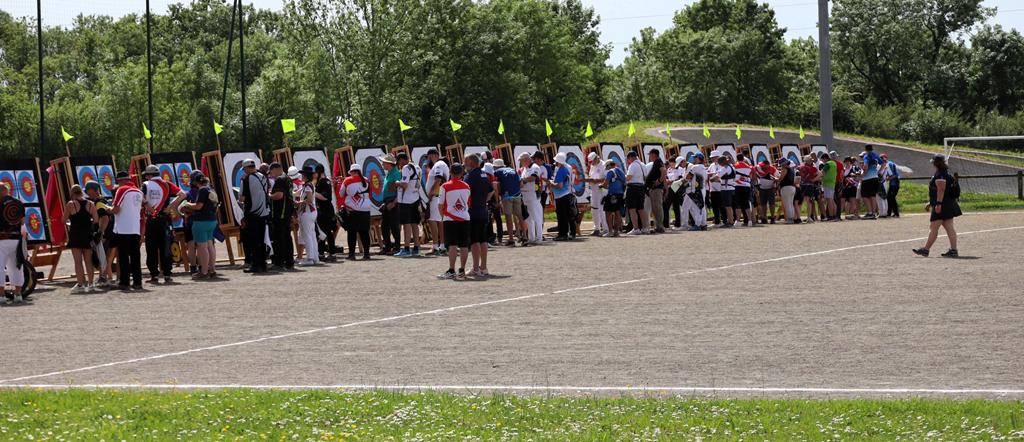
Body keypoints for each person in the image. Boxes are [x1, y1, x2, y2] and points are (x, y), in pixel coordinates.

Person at [141, 165, 186, 283]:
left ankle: (154, 275)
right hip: (165, 219)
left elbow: (141, 198)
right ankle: (167, 274)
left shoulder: (146, 184)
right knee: (165, 246)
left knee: (151, 247)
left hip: (151, 219)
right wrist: (170, 207)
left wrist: (149, 207)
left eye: (146, 175)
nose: (146, 177)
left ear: (149, 175)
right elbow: (183, 195)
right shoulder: (168, 184)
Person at [914, 155, 962, 257]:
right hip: (948, 204)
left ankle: (926, 249)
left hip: (942, 205)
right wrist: (931, 202)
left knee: (934, 227)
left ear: (936, 163)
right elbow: (939, 191)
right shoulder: (944, 174)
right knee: (949, 227)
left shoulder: (940, 175)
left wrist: (938, 203)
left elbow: (941, 190)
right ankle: (953, 250)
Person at [181, 172, 219, 278]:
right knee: (210, 246)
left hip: (201, 222)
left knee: (202, 247)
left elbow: (198, 206)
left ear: (195, 182)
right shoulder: (211, 189)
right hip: (212, 220)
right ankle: (212, 269)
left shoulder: (202, 190)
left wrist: (187, 204)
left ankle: (204, 271)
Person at [438, 163, 471, 280]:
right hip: (465, 218)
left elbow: (440, 205)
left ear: (450, 173)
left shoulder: (445, 186)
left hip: (450, 218)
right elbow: (468, 203)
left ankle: (451, 270)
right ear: (461, 173)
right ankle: (462, 270)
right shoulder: (467, 186)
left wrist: (443, 216)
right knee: (464, 245)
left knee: (452, 245)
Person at [111, 171, 144, 290]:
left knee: (123, 257)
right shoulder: (139, 191)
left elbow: (116, 209)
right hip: (135, 228)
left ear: (120, 180)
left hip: (123, 228)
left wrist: (107, 209)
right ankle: (137, 282)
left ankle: (124, 282)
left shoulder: (122, 190)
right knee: (135, 257)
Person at [63, 184, 98, 293]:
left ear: (72, 193)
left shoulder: (71, 204)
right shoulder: (91, 204)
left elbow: (63, 220)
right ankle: (91, 283)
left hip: (75, 235)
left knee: (78, 262)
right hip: (87, 234)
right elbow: (96, 220)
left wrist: (71, 222)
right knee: (88, 261)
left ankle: (80, 284)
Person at [238, 158, 270, 274]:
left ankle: (256, 265)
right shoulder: (263, 177)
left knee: (253, 240)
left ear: (247, 168)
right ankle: (263, 264)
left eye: (244, 169)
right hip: (264, 213)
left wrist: (240, 199)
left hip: (252, 213)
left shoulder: (246, 179)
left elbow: (242, 198)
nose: (244, 171)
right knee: (261, 239)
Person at [464, 154, 493, 276]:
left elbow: (464, 192)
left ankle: (475, 268)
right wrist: (484, 200)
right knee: (483, 239)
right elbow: (491, 190)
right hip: (483, 210)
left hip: (473, 211)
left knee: (474, 240)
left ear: (471, 163)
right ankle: (483, 267)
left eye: (465, 162)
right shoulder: (484, 175)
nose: (464, 165)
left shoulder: (469, 176)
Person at [339, 163, 373, 260]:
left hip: (352, 210)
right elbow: (370, 194)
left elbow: (341, 194)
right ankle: (367, 254)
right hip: (365, 209)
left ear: (352, 172)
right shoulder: (367, 180)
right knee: (364, 232)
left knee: (352, 233)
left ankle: (351, 254)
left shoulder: (347, 180)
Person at [84, 181, 114, 287]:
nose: (87, 193)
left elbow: (105, 218)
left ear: (93, 190)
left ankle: (103, 278)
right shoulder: (103, 200)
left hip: (105, 234)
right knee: (104, 256)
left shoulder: (98, 202)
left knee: (102, 256)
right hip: (109, 232)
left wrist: (100, 233)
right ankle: (104, 277)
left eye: (88, 191)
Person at [394, 153, 423, 257]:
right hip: (415, 198)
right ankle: (416, 248)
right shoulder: (418, 167)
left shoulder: (406, 167)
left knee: (406, 224)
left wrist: (397, 182)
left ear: (402, 160)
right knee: (414, 224)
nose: (399, 165)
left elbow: (405, 185)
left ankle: (406, 248)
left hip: (406, 201)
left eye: (399, 162)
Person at [267, 164, 295, 270]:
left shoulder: (280, 179)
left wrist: (269, 195)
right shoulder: (288, 178)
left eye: (271, 172)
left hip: (280, 214)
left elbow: (279, 195)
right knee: (287, 238)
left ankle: (279, 263)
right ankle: (289, 262)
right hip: (286, 213)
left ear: (275, 169)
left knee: (279, 239)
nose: (271, 175)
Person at [0, 184, 25, 304]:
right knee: (16, 267)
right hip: (16, 239)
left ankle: (1, 296)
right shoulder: (18, 202)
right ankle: (18, 294)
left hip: (2, 239)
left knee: (0, 268)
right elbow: (22, 222)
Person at [493, 159, 525, 246]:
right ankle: (525, 237)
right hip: (517, 195)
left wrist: (498, 200)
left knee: (508, 217)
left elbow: (496, 186)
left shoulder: (497, 172)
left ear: (495, 167)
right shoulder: (512, 170)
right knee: (520, 216)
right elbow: (521, 184)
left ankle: (511, 239)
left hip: (507, 196)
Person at [424, 149, 449, 255]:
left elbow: (438, 179)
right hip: (438, 196)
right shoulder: (440, 164)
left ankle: (435, 246)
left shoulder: (438, 164)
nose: (428, 160)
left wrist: (430, 193)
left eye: (428, 157)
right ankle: (442, 246)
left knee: (432, 220)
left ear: (433, 155)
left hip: (435, 197)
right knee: (439, 222)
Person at [313, 164, 340, 260]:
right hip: (322, 210)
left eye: (315, 172)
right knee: (323, 232)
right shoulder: (320, 182)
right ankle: (322, 253)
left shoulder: (324, 182)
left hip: (325, 210)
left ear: (318, 172)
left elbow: (325, 197)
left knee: (326, 232)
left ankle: (331, 253)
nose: (314, 175)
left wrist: (313, 193)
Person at [548, 152, 576, 241]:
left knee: (562, 217)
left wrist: (551, 183)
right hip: (565, 195)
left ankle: (563, 234)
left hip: (561, 196)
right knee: (567, 216)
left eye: (556, 161)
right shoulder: (565, 169)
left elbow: (559, 186)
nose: (555, 163)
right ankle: (568, 233)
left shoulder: (561, 170)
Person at [519, 152, 544, 244]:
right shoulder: (524, 169)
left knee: (537, 217)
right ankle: (531, 238)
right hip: (526, 196)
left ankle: (539, 238)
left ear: (526, 159)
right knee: (528, 219)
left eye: (521, 160)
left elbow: (533, 178)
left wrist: (523, 180)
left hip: (533, 196)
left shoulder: (535, 167)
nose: (520, 162)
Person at [379, 154, 401, 255]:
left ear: (389, 164)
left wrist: (394, 202)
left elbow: (399, 190)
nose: (382, 164)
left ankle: (397, 247)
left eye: (384, 163)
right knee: (385, 226)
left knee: (394, 226)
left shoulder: (396, 174)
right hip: (388, 201)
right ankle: (387, 247)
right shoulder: (390, 173)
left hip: (392, 201)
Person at [624, 151, 649, 235]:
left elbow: (628, 177)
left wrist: (623, 176)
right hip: (641, 187)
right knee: (641, 209)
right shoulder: (643, 165)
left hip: (633, 188)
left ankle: (636, 228)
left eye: (628, 159)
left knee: (632, 209)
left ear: (630, 157)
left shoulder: (633, 165)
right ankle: (645, 228)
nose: (628, 161)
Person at [681, 153, 708, 231]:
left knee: (697, 207)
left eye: (695, 158)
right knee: (701, 207)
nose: (694, 159)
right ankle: (703, 224)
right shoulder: (704, 168)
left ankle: (697, 225)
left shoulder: (695, 167)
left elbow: (688, 177)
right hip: (702, 189)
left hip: (695, 190)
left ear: (698, 158)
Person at [584, 153, 608, 236]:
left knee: (602, 209)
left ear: (596, 159)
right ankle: (596, 228)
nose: (591, 163)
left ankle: (605, 228)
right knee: (594, 209)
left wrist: (596, 181)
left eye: (592, 161)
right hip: (593, 190)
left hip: (601, 190)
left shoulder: (604, 165)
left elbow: (606, 178)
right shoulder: (592, 166)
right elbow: (591, 176)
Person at [602, 159, 626, 236]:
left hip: (612, 194)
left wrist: (601, 186)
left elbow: (605, 184)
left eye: (607, 166)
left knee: (608, 212)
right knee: (617, 212)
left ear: (609, 165)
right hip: (620, 194)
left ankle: (610, 231)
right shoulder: (621, 171)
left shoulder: (610, 171)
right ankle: (616, 232)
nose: (606, 168)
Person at [644, 149, 666, 233]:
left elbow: (663, 171)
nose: (649, 156)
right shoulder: (656, 162)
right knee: (655, 208)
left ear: (653, 154)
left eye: (650, 154)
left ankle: (660, 226)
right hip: (654, 189)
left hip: (656, 189)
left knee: (657, 208)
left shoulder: (658, 162)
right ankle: (658, 226)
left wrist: (659, 181)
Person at [712, 155, 735, 228]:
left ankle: (730, 221)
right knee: (728, 206)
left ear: (721, 162)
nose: (719, 164)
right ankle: (730, 220)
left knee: (727, 206)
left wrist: (711, 179)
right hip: (730, 188)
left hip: (726, 189)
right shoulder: (731, 166)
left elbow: (717, 176)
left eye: (719, 162)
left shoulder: (725, 168)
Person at [860, 145, 883, 219]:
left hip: (867, 179)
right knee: (872, 196)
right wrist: (879, 172)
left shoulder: (866, 156)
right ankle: (873, 213)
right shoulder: (876, 155)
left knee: (864, 196)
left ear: (865, 149)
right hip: (875, 178)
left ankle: (869, 213)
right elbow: (883, 164)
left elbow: (866, 166)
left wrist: (863, 175)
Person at [732, 153, 754, 226]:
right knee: (746, 203)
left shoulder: (735, 166)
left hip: (738, 186)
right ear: (743, 159)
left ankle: (738, 221)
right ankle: (750, 221)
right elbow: (751, 177)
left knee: (737, 204)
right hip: (747, 186)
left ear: (737, 159)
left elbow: (734, 176)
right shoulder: (749, 167)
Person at [797, 155, 820, 223]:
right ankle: (808, 217)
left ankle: (798, 217)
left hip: (802, 185)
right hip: (809, 185)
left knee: (801, 201)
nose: (811, 161)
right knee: (809, 202)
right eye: (810, 160)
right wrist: (814, 180)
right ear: (807, 161)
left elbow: (798, 175)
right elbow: (820, 174)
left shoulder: (800, 167)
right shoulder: (813, 168)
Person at [754, 160, 777, 224]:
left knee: (772, 204)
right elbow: (754, 175)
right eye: (762, 166)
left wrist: (775, 187)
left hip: (771, 189)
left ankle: (772, 218)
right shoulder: (757, 167)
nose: (762, 167)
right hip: (761, 189)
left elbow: (777, 178)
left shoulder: (773, 169)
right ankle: (764, 218)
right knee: (763, 204)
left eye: (763, 166)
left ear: (768, 165)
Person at [776, 158, 798, 224]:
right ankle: (792, 218)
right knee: (790, 204)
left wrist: (775, 179)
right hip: (792, 187)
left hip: (786, 188)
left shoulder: (784, 169)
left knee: (787, 204)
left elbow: (780, 178)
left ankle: (790, 219)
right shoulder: (791, 169)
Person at [819, 153, 838, 221]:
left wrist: (817, 177)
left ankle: (831, 216)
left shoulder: (827, 164)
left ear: (825, 159)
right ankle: (835, 215)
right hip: (832, 183)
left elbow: (822, 173)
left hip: (827, 183)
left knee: (829, 200)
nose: (822, 162)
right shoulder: (834, 163)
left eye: (822, 160)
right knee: (832, 200)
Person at [882, 153, 902, 218]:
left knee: (891, 198)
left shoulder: (889, 164)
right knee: (889, 198)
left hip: (894, 184)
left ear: (886, 158)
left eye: (882, 158)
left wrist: (886, 179)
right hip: (892, 184)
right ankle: (889, 213)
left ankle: (896, 213)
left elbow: (894, 175)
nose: (881, 159)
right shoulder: (888, 164)